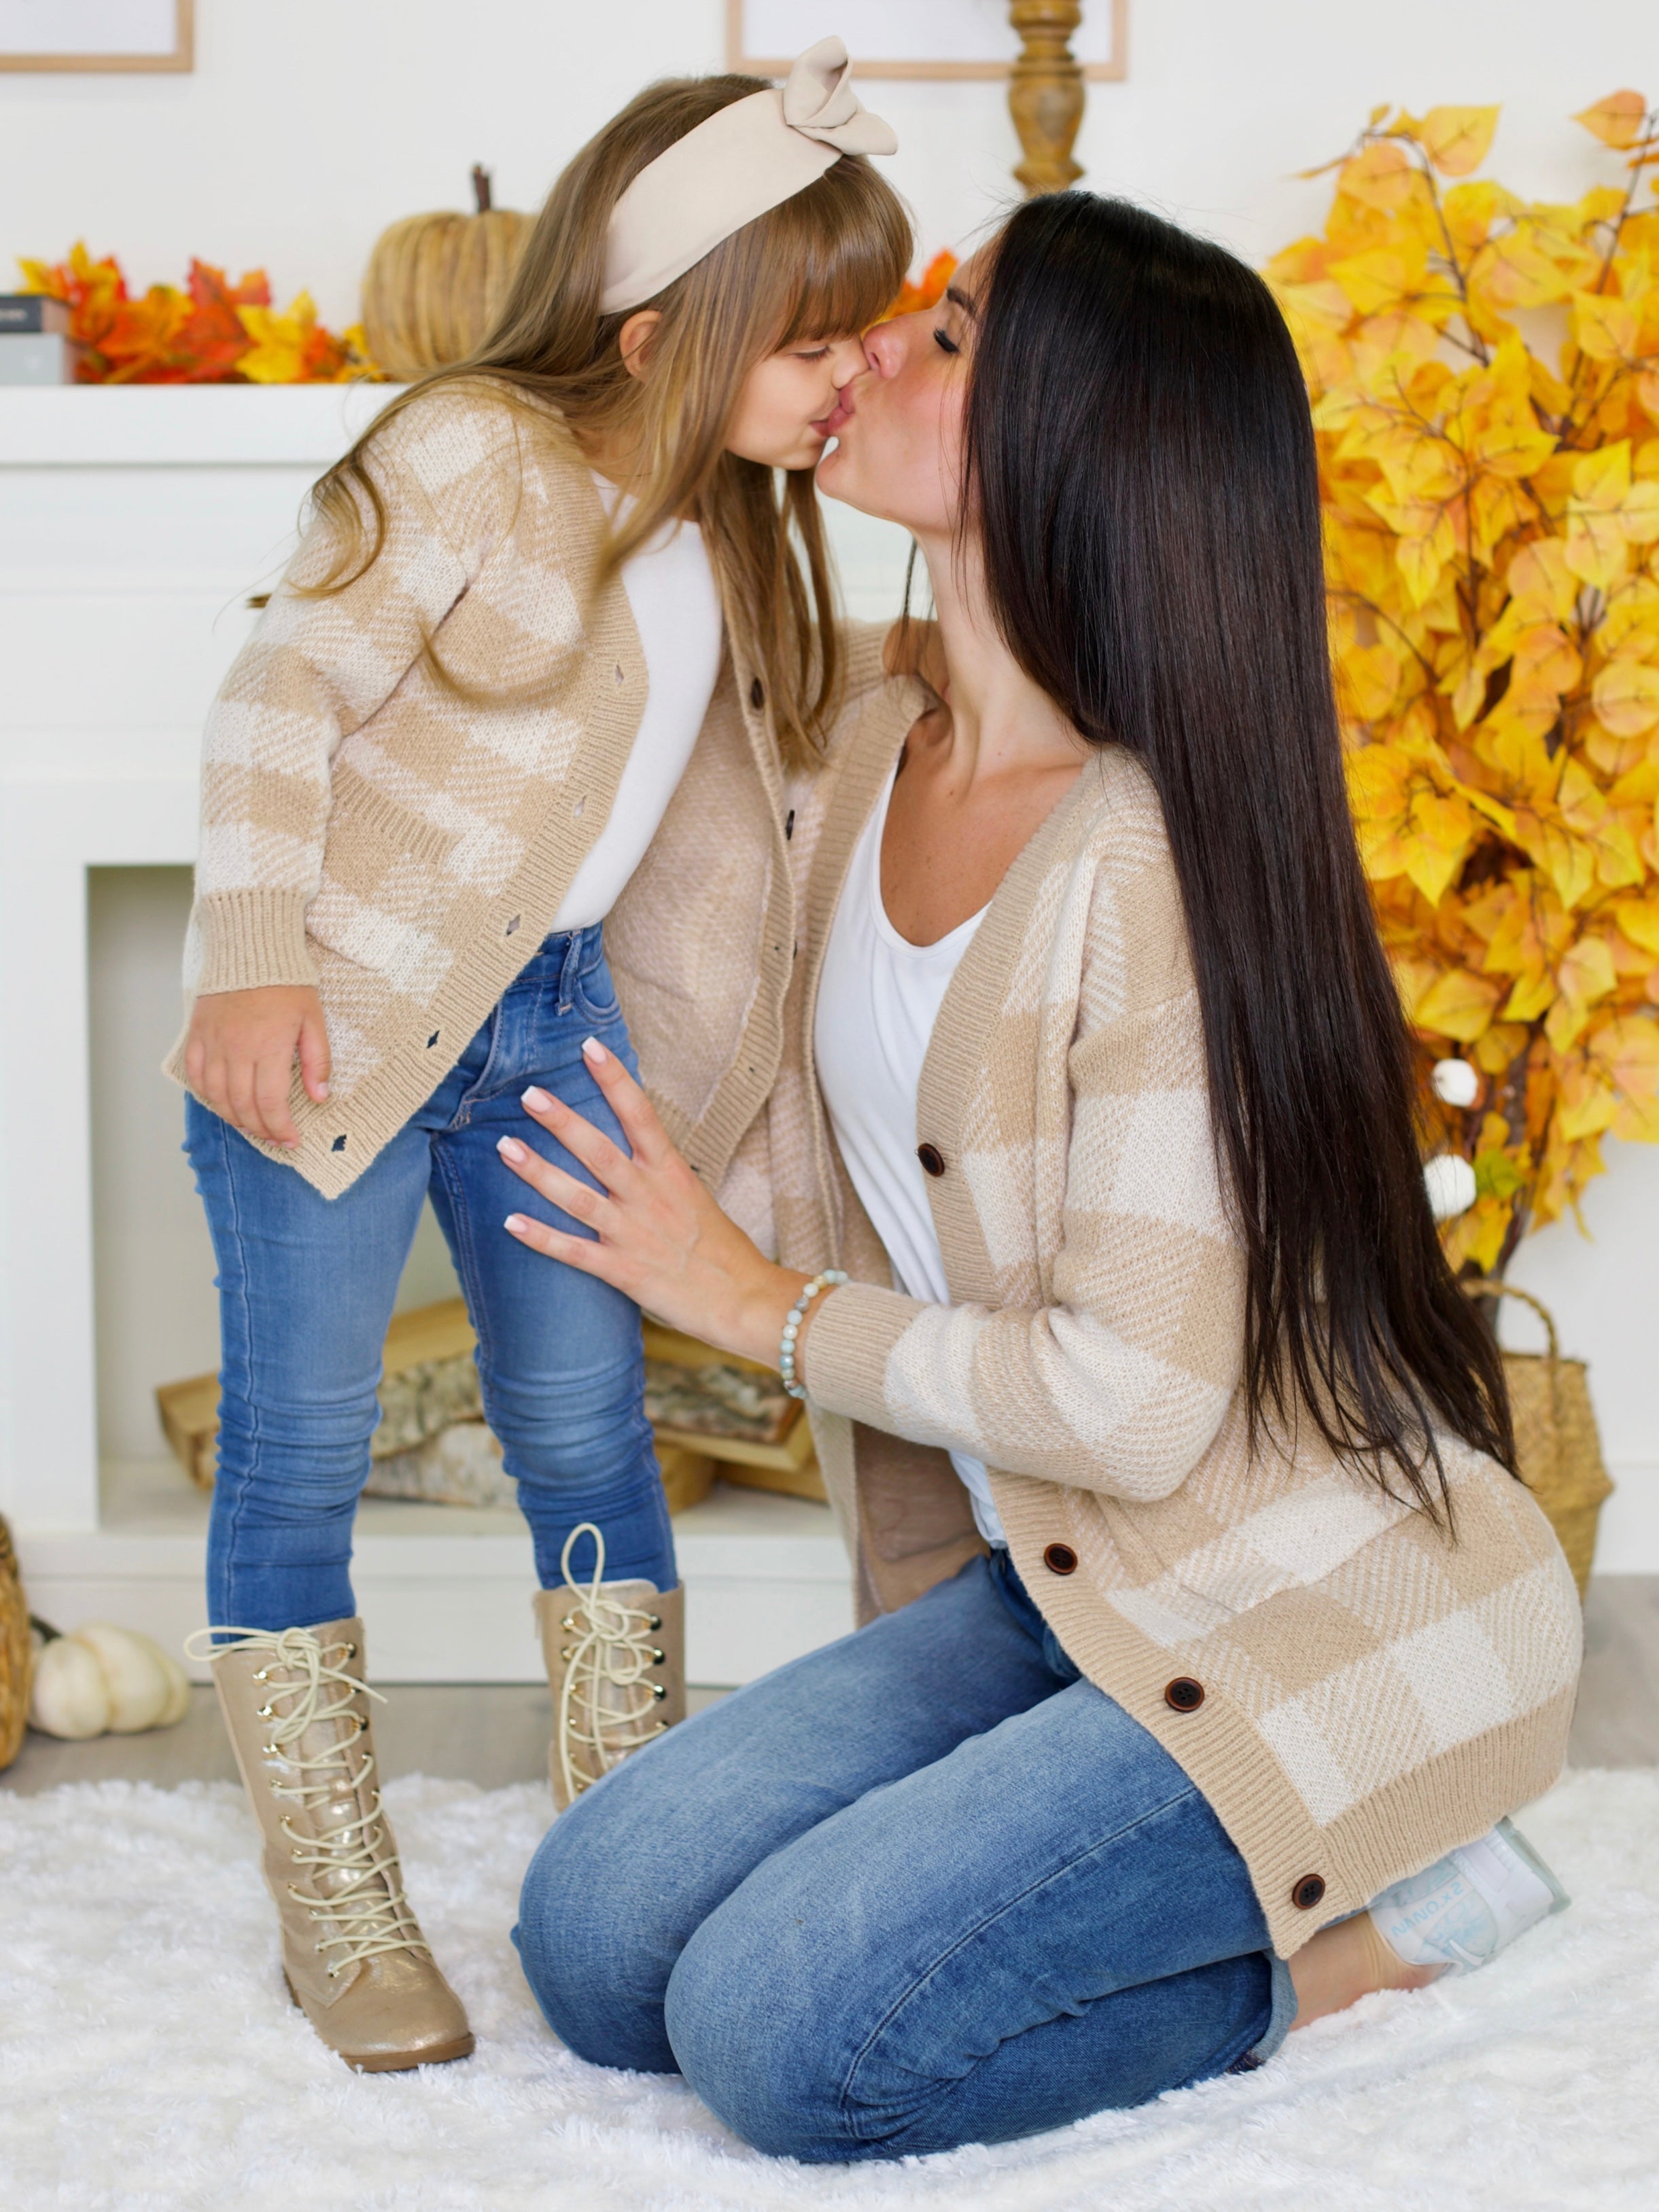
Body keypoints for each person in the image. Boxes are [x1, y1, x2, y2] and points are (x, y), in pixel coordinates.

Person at [500, 192, 1582, 2159]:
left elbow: (1135, 1399)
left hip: (1301, 1610)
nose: (875, 345)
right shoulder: (857, 738)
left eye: (949, 330)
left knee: (783, 2038)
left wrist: (751, 1304)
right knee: (594, 1941)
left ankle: (1364, 1930)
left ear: (1072, 429)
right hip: (1047, 1582)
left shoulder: (1148, 863)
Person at [170, 41, 909, 2071]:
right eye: (818, 337)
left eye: (871, 336)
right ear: (667, 327)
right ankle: (334, 1901)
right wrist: (245, 963)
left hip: (551, 1027)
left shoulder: (740, 521)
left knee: (588, 1436)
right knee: (301, 1450)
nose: (849, 372)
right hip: (330, 1017)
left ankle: (624, 1860)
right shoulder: (476, 452)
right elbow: (275, 694)